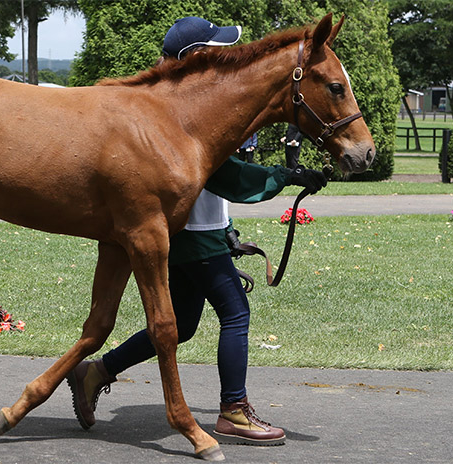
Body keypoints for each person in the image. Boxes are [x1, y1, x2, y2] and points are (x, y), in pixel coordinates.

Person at [65, 16, 326, 446]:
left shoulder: (186, 103)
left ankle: (95, 372)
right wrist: (285, 177)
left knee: (182, 323)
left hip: (201, 227)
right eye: (216, 50)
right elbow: (226, 176)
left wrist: (229, 227)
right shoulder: (180, 109)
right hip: (193, 229)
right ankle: (234, 410)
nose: (225, 57)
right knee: (235, 311)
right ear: (195, 58)